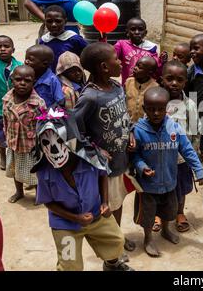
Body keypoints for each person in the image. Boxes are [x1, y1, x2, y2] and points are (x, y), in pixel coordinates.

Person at [32, 109, 134, 271]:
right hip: (65, 222)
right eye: (47, 143)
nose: (55, 150)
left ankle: (112, 265)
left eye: (60, 141)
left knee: (115, 242)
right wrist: (75, 217)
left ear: (71, 139)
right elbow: (48, 203)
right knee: (70, 264)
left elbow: (102, 175)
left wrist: (105, 202)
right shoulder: (45, 172)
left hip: (96, 213)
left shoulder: (90, 157)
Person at [74, 42, 136, 255]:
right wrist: (95, 150)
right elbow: (74, 129)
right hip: (104, 167)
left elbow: (124, 115)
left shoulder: (117, 86)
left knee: (118, 202)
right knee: (108, 205)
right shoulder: (90, 97)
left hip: (121, 157)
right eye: (116, 59)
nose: (120, 62)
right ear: (104, 67)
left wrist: (131, 133)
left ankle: (117, 236)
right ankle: (113, 243)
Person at [132, 87, 203, 257]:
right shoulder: (138, 130)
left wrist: (199, 171)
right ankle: (148, 238)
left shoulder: (174, 128)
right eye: (151, 109)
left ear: (167, 109)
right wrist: (142, 167)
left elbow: (187, 150)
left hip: (170, 182)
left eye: (160, 109)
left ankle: (165, 230)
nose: (156, 113)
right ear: (144, 109)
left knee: (169, 211)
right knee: (148, 216)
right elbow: (134, 156)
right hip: (148, 186)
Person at [161, 60, 200, 233]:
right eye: (170, 79)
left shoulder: (189, 105)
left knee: (181, 188)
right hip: (158, 157)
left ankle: (179, 213)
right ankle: (158, 214)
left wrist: (194, 157)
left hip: (181, 158)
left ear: (185, 81)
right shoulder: (156, 101)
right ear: (162, 79)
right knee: (159, 187)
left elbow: (195, 131)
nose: (174, 83)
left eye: (179, 79)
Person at [3, 65, 46, 203]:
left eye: (27, 80)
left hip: (31, 146)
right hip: (14, 143)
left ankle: (39, 195)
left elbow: (44, 125)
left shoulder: (38, 103)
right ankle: (19, 192)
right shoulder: (7, 99)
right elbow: (5, 120)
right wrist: (6, 135)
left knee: (34, 173)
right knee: (15, 170)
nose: (22, 83)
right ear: (12, 80)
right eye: (18, 79)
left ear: (33, 82)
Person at [0, 35, 22, 171]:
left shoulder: (20, 66)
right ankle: (3, 157)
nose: (3, 49)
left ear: (13, 49)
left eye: (6, 46)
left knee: (16, 135)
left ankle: (17, 159)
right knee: (0, 136)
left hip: (17, 110)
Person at [114, 18, 167, 85]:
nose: (137, 32)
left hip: (146, 87)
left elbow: (155, 70)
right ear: (127, 32)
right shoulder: (122, 45)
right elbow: (110, 57)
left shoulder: (151, 47)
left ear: (145, 33)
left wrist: (162, 62)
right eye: (133, 29)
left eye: (140, 29)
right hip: (128, 86)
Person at [39, 5, 88, 73]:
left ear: (65, 21)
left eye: (58, 21)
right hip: (51, 79)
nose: (53, 25)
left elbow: (87, 56)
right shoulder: (43, 41)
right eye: (49, 21)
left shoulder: (74, 39)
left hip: (71, 80)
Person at [125, 57, 159, 124]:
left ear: (149, 73)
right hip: (127, 122)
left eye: (139, 67)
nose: (135, 68)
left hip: (145, 124)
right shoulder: (128, 82)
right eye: (136, 65)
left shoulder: (155, 86)